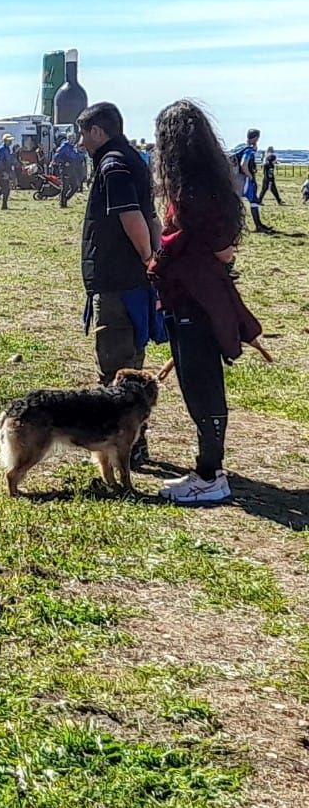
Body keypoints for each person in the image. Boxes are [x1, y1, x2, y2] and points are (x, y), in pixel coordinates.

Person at [148, 100, 261, 505]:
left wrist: (166, 254)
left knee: (202, 387)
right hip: (191, 297)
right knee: (198, 384)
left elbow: (204, 240)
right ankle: (207, 468)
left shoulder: (194, 190)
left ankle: (211, 474)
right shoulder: (208, 183)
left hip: (195, 299)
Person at [76, 101, 160, 465]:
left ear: (98, 132)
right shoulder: (134, 159)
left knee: (116, 363)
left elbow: (132, 216)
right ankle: (126, 442)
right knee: (130, 358)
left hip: (119, 279)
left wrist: (146, 257)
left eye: (83, 134)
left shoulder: (112, 166)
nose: (80, 143)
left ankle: (125, 445)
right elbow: (152, 215)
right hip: (131, 279)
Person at [235, 128, 271, 234]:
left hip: (237, 178)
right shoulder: (248, 150)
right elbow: (243, 164)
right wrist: (250, 175)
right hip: (245, 179)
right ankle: (258, 225)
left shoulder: (240, 147)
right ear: (256, 138)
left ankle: (256, 224)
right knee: (254, 200)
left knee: (238, 201)